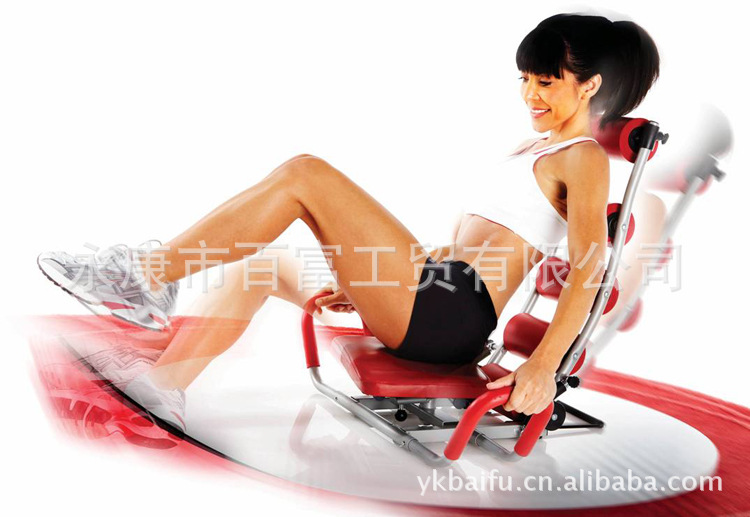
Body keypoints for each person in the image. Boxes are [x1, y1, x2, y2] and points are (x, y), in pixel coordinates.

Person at [38, 13, 660, 431]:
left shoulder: (582, 158)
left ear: (590, 86)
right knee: (264, 265)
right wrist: (366, 278)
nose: (530, 95)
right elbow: (474, 244)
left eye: (546, 81)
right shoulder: (533, 149)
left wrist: (544, 367)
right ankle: (165, 384)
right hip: (428, 290)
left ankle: (144, 275)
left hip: (449, 316)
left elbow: (590, 268)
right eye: (524, 79)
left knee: (306, 174)